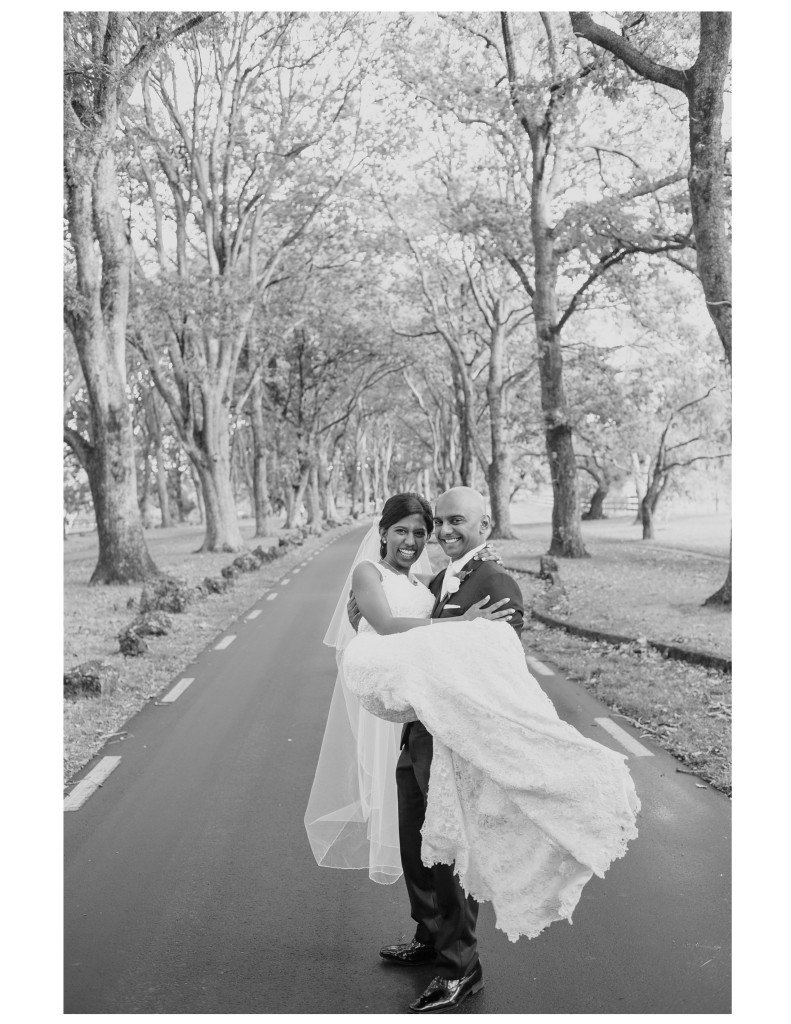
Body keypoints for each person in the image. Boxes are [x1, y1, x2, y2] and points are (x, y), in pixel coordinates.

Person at [306, 488, 640, 1014]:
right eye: (433, 523)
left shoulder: (495, 580)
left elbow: (499, 661)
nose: (437, 532)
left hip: (456, 740)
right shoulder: (434, 580)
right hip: (417, 729)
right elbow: (400, 630)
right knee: (417, 842)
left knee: (451, 853)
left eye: (450, 521)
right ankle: (428, 934)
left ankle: (462, 969)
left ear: (486, 525)